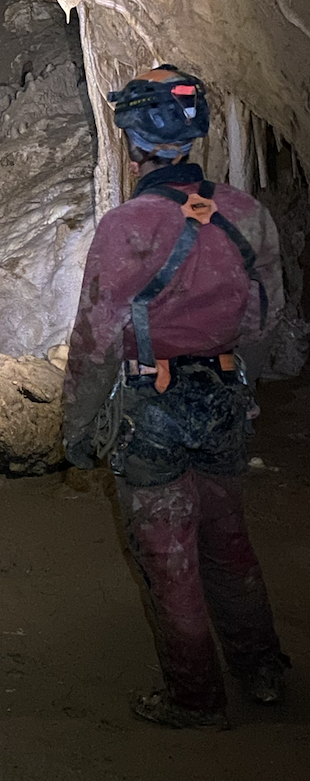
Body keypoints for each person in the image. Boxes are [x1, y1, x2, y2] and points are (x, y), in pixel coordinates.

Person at [62, 66, 288, 729]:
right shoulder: (247, 214)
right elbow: (264, 319)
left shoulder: (126, 227)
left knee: (168, 552)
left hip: (150, 404)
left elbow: (96, 340)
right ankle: (263, 670)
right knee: (228, 540)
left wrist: (77, 428)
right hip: (222, 397)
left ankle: (195, 697)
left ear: (132, 140)